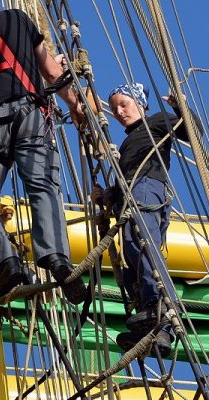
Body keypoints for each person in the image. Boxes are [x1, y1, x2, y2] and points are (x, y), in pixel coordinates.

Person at [0, 0, 86, 304]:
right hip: (30, 116)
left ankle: (7, 264)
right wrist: (76, 105)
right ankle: (57, 260)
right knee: (42, 187)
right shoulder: (18, 18)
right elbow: (52, 73)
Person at [91, 82, 203, 356]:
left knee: (142, 244)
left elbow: (193, 132)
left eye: (124, 104)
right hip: (131, 192)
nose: (119, 112)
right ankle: (157, 330)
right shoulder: (129, 142)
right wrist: (106, 196)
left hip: (147, 187)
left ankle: (157, 305)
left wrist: (180, 107)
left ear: (140, 103)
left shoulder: (155, 123)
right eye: (115, 108)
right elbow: (125, 180)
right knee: (132, 257)